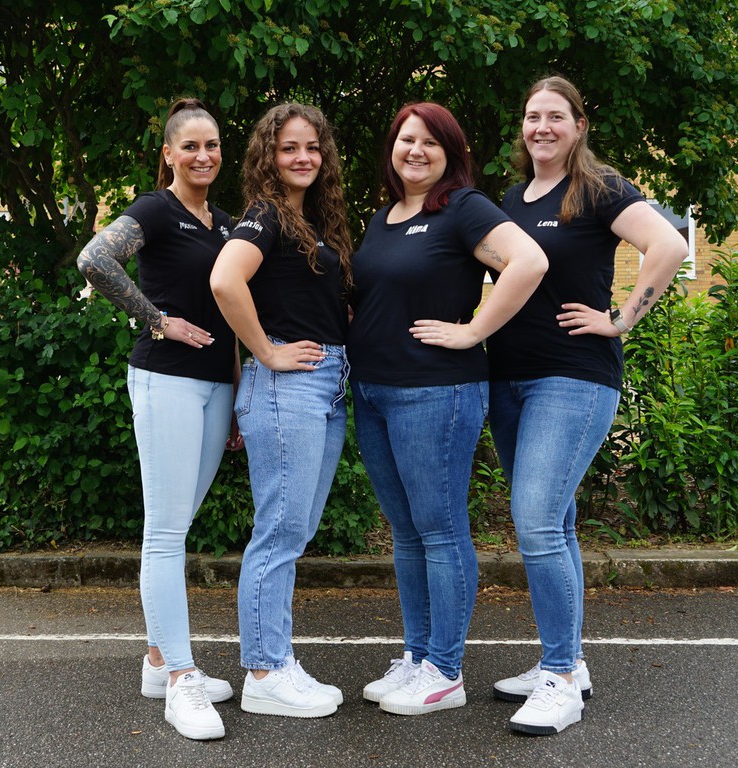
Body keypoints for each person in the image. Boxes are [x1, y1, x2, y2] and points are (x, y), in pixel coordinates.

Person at [416, 76, 688, 735]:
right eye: (533, 116)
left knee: (536, 521)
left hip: (573, 378)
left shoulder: (599, 188)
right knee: (555, 525)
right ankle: (565, 662)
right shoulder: (513, 199)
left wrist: (620, 319)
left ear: (579, 125)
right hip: (510, 378)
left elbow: (671, 246)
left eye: (555, 116)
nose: (542, 126)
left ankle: (561, 679)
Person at [347, 102, 548, 716]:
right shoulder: (383, 217)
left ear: (451, 153)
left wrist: (474, 330)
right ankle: (417, 656)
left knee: (439, 528)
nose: (416, 150)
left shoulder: (462, 207)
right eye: (406, 139)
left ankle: (445, 669)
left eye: (431, 142)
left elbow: (530, 261)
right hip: (375, 393)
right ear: (392, 147)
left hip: (436, 392)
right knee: (406, 531)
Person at [77, 98, 241, 741]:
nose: (203, 155)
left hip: (215, 387)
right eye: (190, 146)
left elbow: (232, 311)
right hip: (166, 379)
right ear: (169, 153)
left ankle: (155, 661)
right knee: (167, 531)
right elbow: (95, 259)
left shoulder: (225, 224)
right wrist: (156, 319)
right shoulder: (155, 209)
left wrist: (236, 396)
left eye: (212, 144)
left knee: (179, 523)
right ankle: (180, 678)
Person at [210, 103, 353, 718]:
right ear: (268, 155)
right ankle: (265, 671)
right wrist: (266, 352)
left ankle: (276, 660)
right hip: (286, 386)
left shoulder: (312, 220)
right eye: (289, 147)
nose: (303, 157)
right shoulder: (265, 215)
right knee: (279, 532)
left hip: (326, 385)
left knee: (294, 531)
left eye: (312, 147)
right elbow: (225, 280)